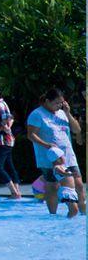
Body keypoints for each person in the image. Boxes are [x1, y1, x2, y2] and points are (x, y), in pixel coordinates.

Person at [27, 87, 84, 217]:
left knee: (79, 184)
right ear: (47, 101)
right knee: (53, 186)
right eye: (56, 103)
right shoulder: (37, 114)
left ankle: (83, 215)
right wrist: (47, 145)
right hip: (50, 158)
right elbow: (31, 135)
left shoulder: (62, 113)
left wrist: (68, 113)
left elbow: (77, 130)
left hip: (68, 156)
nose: (59, 105)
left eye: (61, 103)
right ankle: (53, 215)